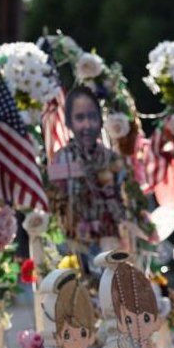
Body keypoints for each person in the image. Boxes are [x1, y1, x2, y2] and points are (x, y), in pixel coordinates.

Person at [49, 87, 127, 252]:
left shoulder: (112, 160)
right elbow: (54, 210)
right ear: (69, 122)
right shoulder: (60, 160)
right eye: (79, 118)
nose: (87, 125)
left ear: (100, 119)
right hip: (73, 248)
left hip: (111, 246)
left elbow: (126, 205)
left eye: (92, 117)